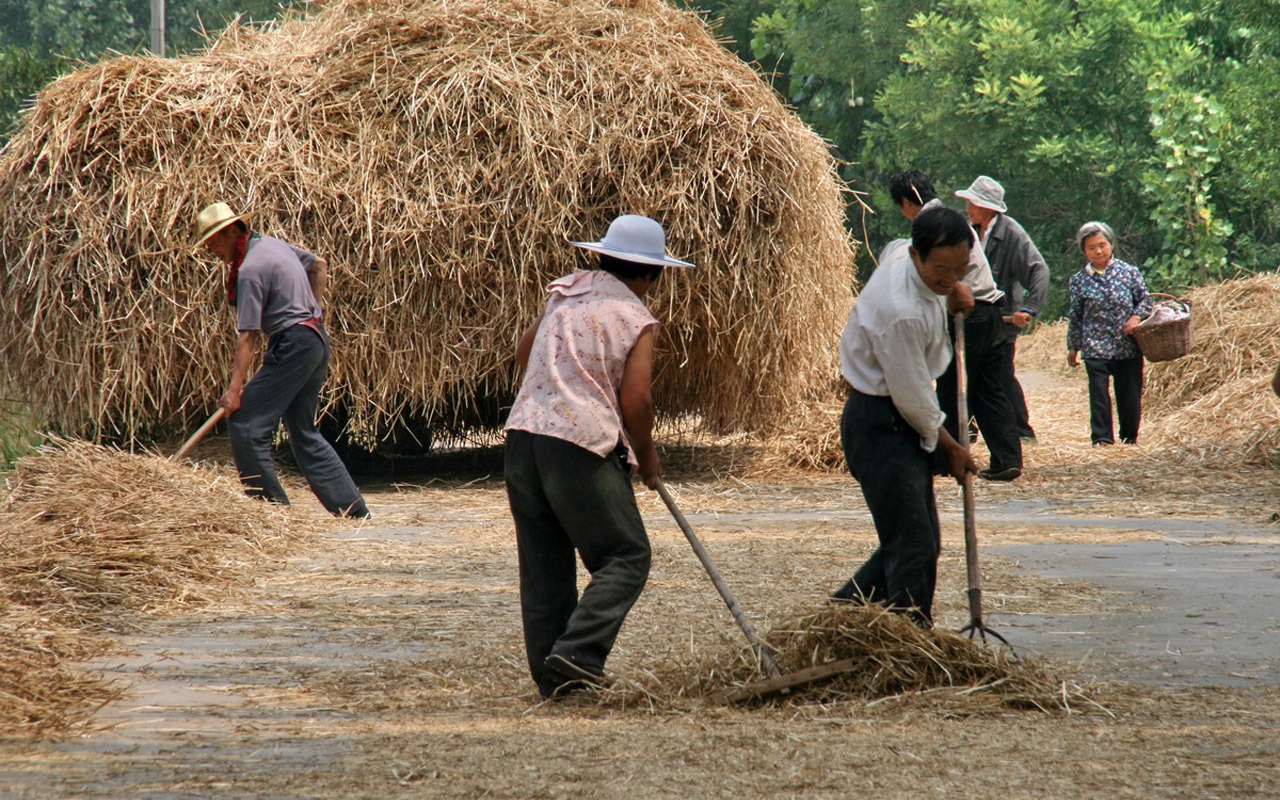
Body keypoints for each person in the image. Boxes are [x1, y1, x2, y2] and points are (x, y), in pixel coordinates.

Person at [504, 214, 694, 700]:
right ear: (652, 274)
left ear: (602, 257)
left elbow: (524, 354)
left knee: (545, 568)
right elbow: (637, 402)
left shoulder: (566, 291)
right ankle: (577, 656)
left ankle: (556, 682)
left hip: (524, 437)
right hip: (580, 444)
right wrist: (647, 456)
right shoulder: (636, 317)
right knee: (626, 554)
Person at [832, 205, 978, 627]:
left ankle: (842, 615)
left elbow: (913, 254)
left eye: (959, 268)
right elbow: (913, 396)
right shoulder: (902, 313)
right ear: (916, 256)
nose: (949, 276)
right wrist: (949, 445)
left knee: (917, 540)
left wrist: (949, 290)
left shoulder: (901, 252)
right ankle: (910, 638)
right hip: (882, 424)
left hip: (898, 417)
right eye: (940, 268)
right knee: (913, 545)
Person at [193, 202, 370, 519]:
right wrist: (312, 312)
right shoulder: (272, 245)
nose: (210, 251)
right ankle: (353, 511)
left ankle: (270, 513)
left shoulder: (249, 270)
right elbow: (318, 264)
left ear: (232, 232)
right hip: (315, 339)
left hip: (294, 343)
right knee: (303, 430)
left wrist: (234, 390)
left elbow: (248, 337)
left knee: (245, 422)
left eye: (212, 242)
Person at [889, 170, 1022, 481]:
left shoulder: (931, 223)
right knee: (989, 389)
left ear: (908, 202)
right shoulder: (948, 219)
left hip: (968, 314)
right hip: (989, 311)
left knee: (952, 387)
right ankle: (1007, 459)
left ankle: (944, 460)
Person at [956, 176, 1049, 441]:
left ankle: (1021, 431)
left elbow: (1038, 269)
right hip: (971, 316)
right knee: (968, 372)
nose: (967, 208)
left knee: (1001, 374)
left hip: (1001, 318)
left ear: (986, 206)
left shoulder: (1012, 233)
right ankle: (970, 429)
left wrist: (1030, 308)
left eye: (971, 202)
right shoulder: (967, 230)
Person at [1066, 221, 1154, 445]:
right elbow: (1076, 315)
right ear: (1084, 251)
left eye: (1102, 245)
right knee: (1098, 395)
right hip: (1095, 344)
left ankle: (1129, 437)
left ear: (1111, 245)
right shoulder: (1078, 281)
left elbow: (1145, 301)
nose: (1098, 251)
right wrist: (1073, 347)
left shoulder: (1128, 272)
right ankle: (1102, 437)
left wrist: (1135, 318)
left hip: (1127, 344)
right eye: (1091, 247)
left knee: (1129, 394)